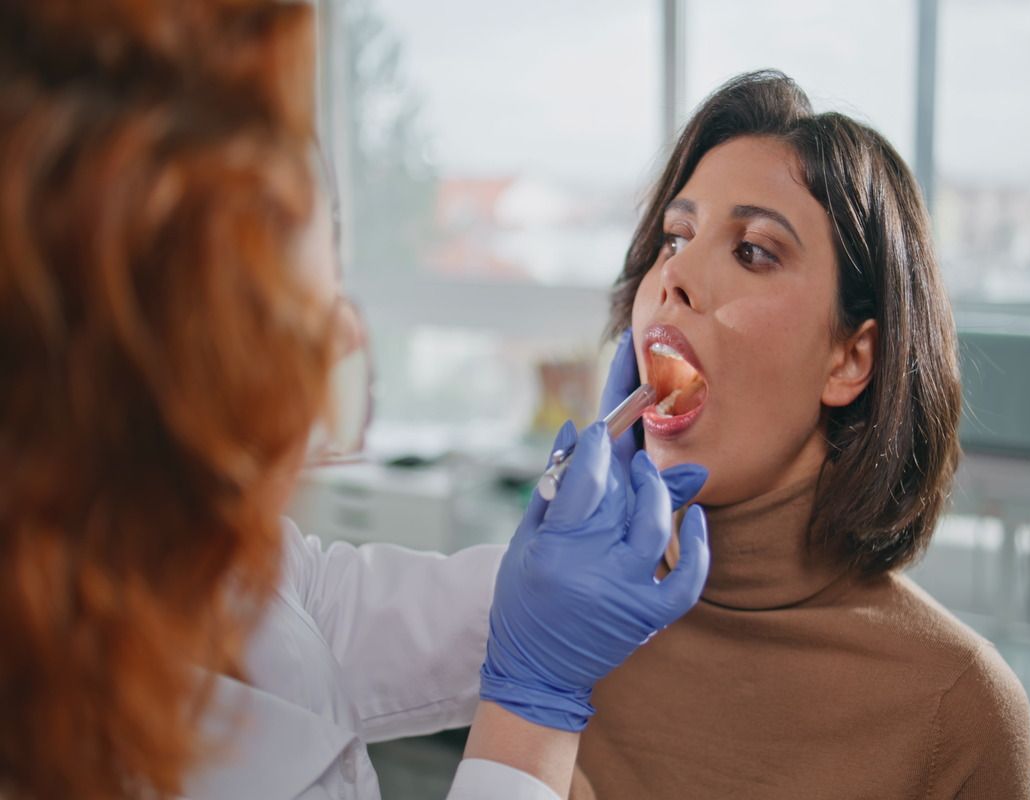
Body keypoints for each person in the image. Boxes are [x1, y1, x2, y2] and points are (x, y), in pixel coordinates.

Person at [0, 2, 711, 799]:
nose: (343, 336)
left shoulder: (175, 550)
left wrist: (543, 579)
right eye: (289, 278)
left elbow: (323, 609)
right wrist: (534, 697)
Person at [571, 71, 1030, 799]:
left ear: (850, 359)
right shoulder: (566, 627)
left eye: (753, 250)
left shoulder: (960, 711)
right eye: (674, 236)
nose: (677, 276)